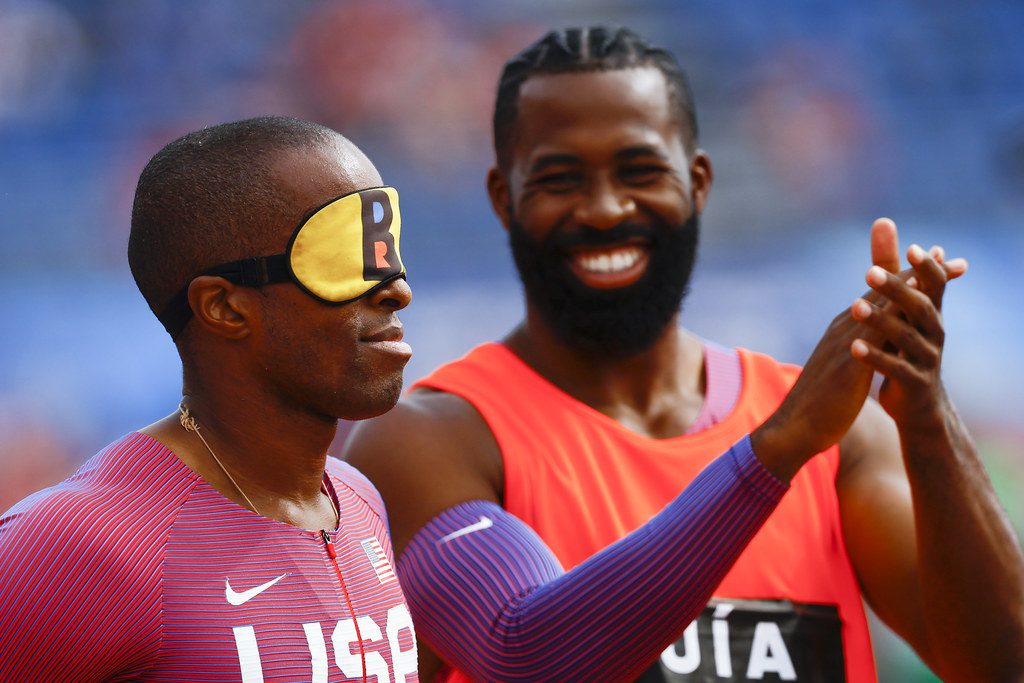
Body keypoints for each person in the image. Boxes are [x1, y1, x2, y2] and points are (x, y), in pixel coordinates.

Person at [344, 27, 1024, 682]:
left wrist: (929, 418)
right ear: (503, 198)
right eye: (560, 178)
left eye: (640, 169)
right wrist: (774, 453)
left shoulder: (844, 439)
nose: (606, 207)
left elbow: (1002, 666)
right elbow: (535, 656)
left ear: (698, 182)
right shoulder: (427, 443)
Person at [0, 116, 421, 682]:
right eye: (346, 262)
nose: (396, 289)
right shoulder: (82, 544)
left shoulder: (359, 502)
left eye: (387, 251)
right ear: (222, 307)